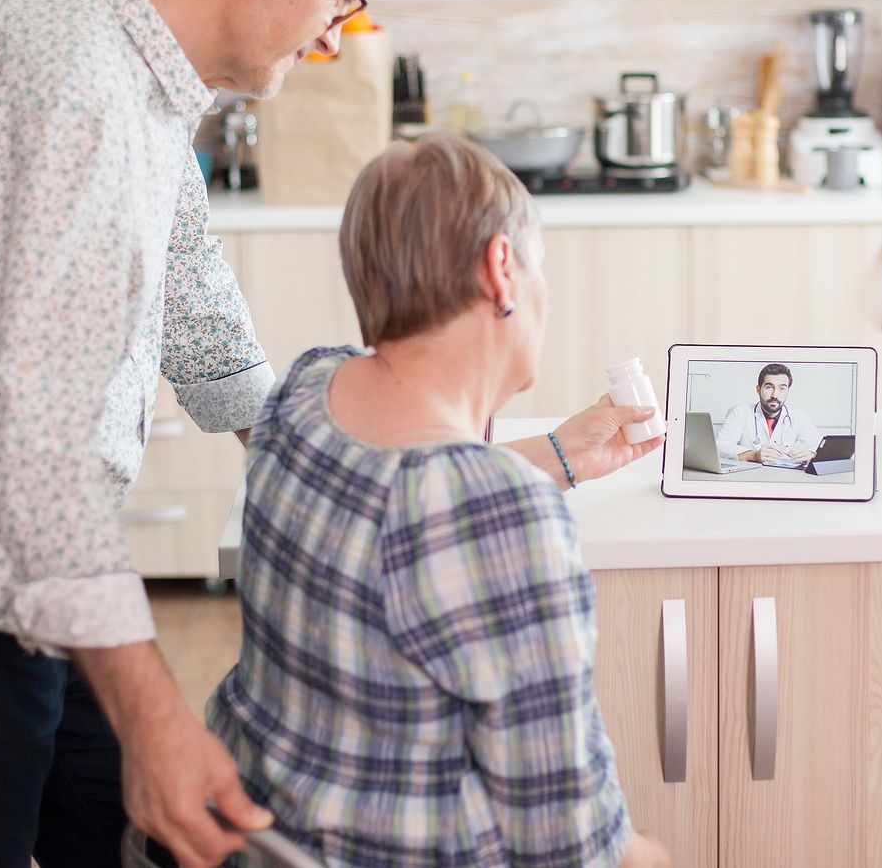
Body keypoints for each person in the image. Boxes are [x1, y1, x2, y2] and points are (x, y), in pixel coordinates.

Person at [0, 0, 648, 868]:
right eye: (344, 1)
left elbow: (197, 302)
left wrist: (486, 456)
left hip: (32, 544)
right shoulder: (79, 91)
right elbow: (36, 451)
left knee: (99, 822)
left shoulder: (135, 50)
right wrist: (158, 724)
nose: (336, 40)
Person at [207, 136, 672, 868]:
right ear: (501, 269)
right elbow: (573, 848)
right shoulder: (502, 518)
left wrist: (557, 454)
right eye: (538, 264)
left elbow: (394, 492)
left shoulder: (302, 392)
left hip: (257, 841)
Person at [717, 363, 821, 464]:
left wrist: (812, 455)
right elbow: (720, 447)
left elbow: (817, 447)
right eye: (769, 387)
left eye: (782, 388)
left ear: (787, 391)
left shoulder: (799, 416)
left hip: (786, 477)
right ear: (758, 389)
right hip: (750, 477)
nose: (775, 395)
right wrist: (754, 455)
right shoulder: (740, 413)